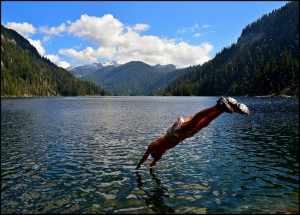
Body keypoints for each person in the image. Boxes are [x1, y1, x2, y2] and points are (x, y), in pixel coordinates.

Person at [136, 96, 250, 170]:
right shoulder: (158, 154)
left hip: (173, 133)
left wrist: (139, 165)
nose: (161, 155)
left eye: (159, 155)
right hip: (181, 137)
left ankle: (218, 105)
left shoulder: (154, 146)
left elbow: (145, 156)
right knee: (202, 125)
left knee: (193, 121)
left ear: (155, 151)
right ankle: (225, 108)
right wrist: (153, 163)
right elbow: (155, 159)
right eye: (159, 156)